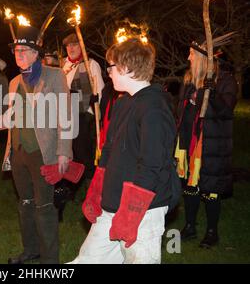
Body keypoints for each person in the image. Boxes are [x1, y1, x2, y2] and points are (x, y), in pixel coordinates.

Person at [70, 38, 177, 264]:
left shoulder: (154, 108)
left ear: (127, 68)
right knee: (87, 260)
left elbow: (151, 165)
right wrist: (98, 189)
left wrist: (131, 215)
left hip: (143, 212)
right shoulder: (122, 103)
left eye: (111, 66)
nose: (108, 72)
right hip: (112, 206)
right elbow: (109, 149)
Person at [0, 25, 74, 264]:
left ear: (35, 53)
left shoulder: (54, 75)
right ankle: (31, 250)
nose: (18, 54)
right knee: (25, 204)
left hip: (43, 152)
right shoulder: (15, 81)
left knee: (45, 207)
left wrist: (63, 152)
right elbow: (10, 118)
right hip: (18, 153)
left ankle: (50, 261)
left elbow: (65, 116)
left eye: (23, 50)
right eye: (16, 50)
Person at [175, 42, 238, 248]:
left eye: (191, 54)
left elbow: (226, 112)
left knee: (211, 188)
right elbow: (181, 110)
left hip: (212, 145)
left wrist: (209, 94)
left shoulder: (225, 81)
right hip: (190, 142)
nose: (188, 58)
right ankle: (190, 226)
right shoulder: (188, 80)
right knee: (191, 186)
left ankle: (212, 232)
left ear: (202, 57)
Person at [54, 33, 105, 220]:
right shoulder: (62, 65)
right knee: (64, 154)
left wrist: (94, 114)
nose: (71, 48)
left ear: (81, 46)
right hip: (61, 118)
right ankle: (65, 192)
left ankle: (91, 195)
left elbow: (98, 91)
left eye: (75, 45)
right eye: (68, 46)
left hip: (82, 118)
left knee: (84, 156)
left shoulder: (91, 65)